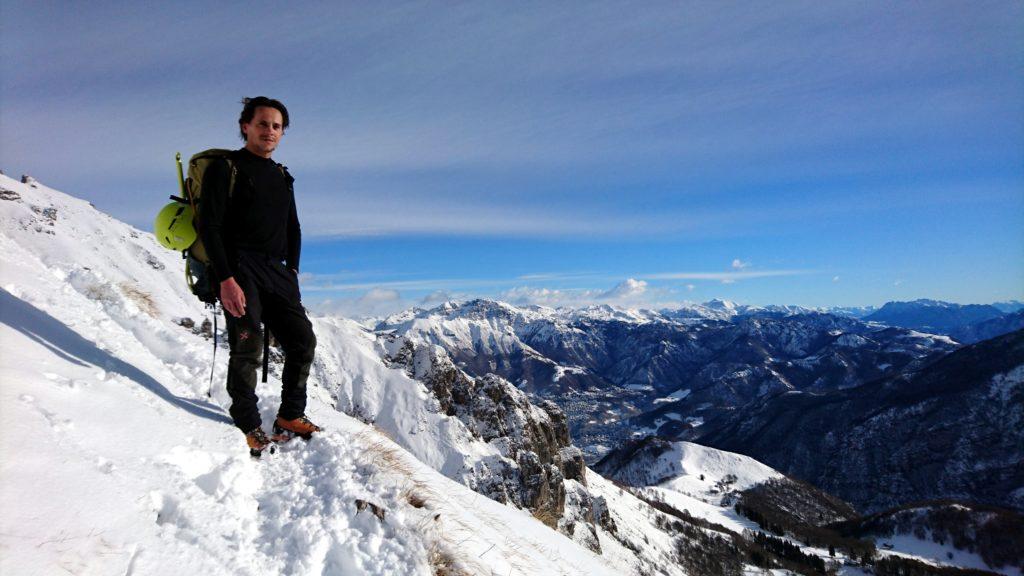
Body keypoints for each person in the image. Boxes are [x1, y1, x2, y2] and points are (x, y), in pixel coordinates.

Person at [199, 96, 320, 455]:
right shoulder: (227, 168)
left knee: (303, 341)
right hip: (239, 268)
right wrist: (225, 278)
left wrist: (293, 271)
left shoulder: (282, 176)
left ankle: (290, 416)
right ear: (245, 126)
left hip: (277, 271)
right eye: (263, 123)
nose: (270, 131)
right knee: (248, 344)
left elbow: (293, 227)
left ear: (283, 133)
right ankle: (248, 422)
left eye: (277, 126)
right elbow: (210, 225)